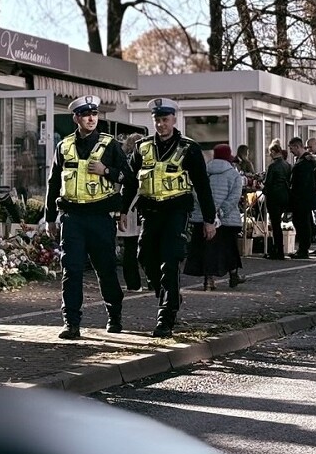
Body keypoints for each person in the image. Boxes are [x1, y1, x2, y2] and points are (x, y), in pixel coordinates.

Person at [121, 98, 216, 338]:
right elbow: (131, 183)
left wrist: (209, 218)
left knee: (170, 261)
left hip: (176, 211)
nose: (161, 124)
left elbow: (203, 186)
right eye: (157, 120)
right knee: (144, 256)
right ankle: (167, 292)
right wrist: (122, 210)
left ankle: (166, 317)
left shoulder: (188, 148)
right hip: (151, 212)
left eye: (165, 119)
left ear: (174, 119)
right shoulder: (142, 148)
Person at [45, 95, 131, 340]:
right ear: (76, 118)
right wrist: (50, 217)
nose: (92, 118)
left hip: (100, 217)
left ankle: (114, 315)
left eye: (94, 114)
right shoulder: (64, 146)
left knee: (105, 270)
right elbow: (53, 184)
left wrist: (107, 171)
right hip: (72, 217)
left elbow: (129, 178)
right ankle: (71, 322)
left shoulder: (109, 145)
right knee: (70, 270)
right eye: (86, 115)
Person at [184, 144, 243, 290]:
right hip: (227, 219)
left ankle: (208, 280)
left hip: (203, 217)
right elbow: (234, 197)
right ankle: (233, 275)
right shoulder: (233, 174)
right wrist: (220, 213)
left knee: (206, 249)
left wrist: (209, 212)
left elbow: (195, 192)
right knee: (230, 247)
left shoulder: (203, 172)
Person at [118, 133, 148, 292]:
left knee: (129, 247)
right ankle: (151, 279)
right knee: (146, 245)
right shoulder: (143, 161)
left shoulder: (122, 160)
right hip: (139, 204)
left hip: (126, 207)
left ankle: (133, 283)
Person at [262, 139, 292, 260]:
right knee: (279, 223)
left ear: (274, 152)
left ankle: (278, 250)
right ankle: (279, 249)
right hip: (284, 196)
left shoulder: (273, 166)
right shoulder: (287, 165)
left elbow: (268, 183)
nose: (269, 154)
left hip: (274, 196)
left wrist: (264, 189)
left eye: (270, 152)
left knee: (275, 224)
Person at [287, 136, 316, 259]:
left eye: (291, 148)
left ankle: (303, 249)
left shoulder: (305, 162)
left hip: (302, 197)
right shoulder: (303, 160)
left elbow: (302, 182)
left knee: (302, 222)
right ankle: (303, 248)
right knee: (301, 222)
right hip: (302, 197)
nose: (290, 151)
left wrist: (296, 195)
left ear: (297, 146)